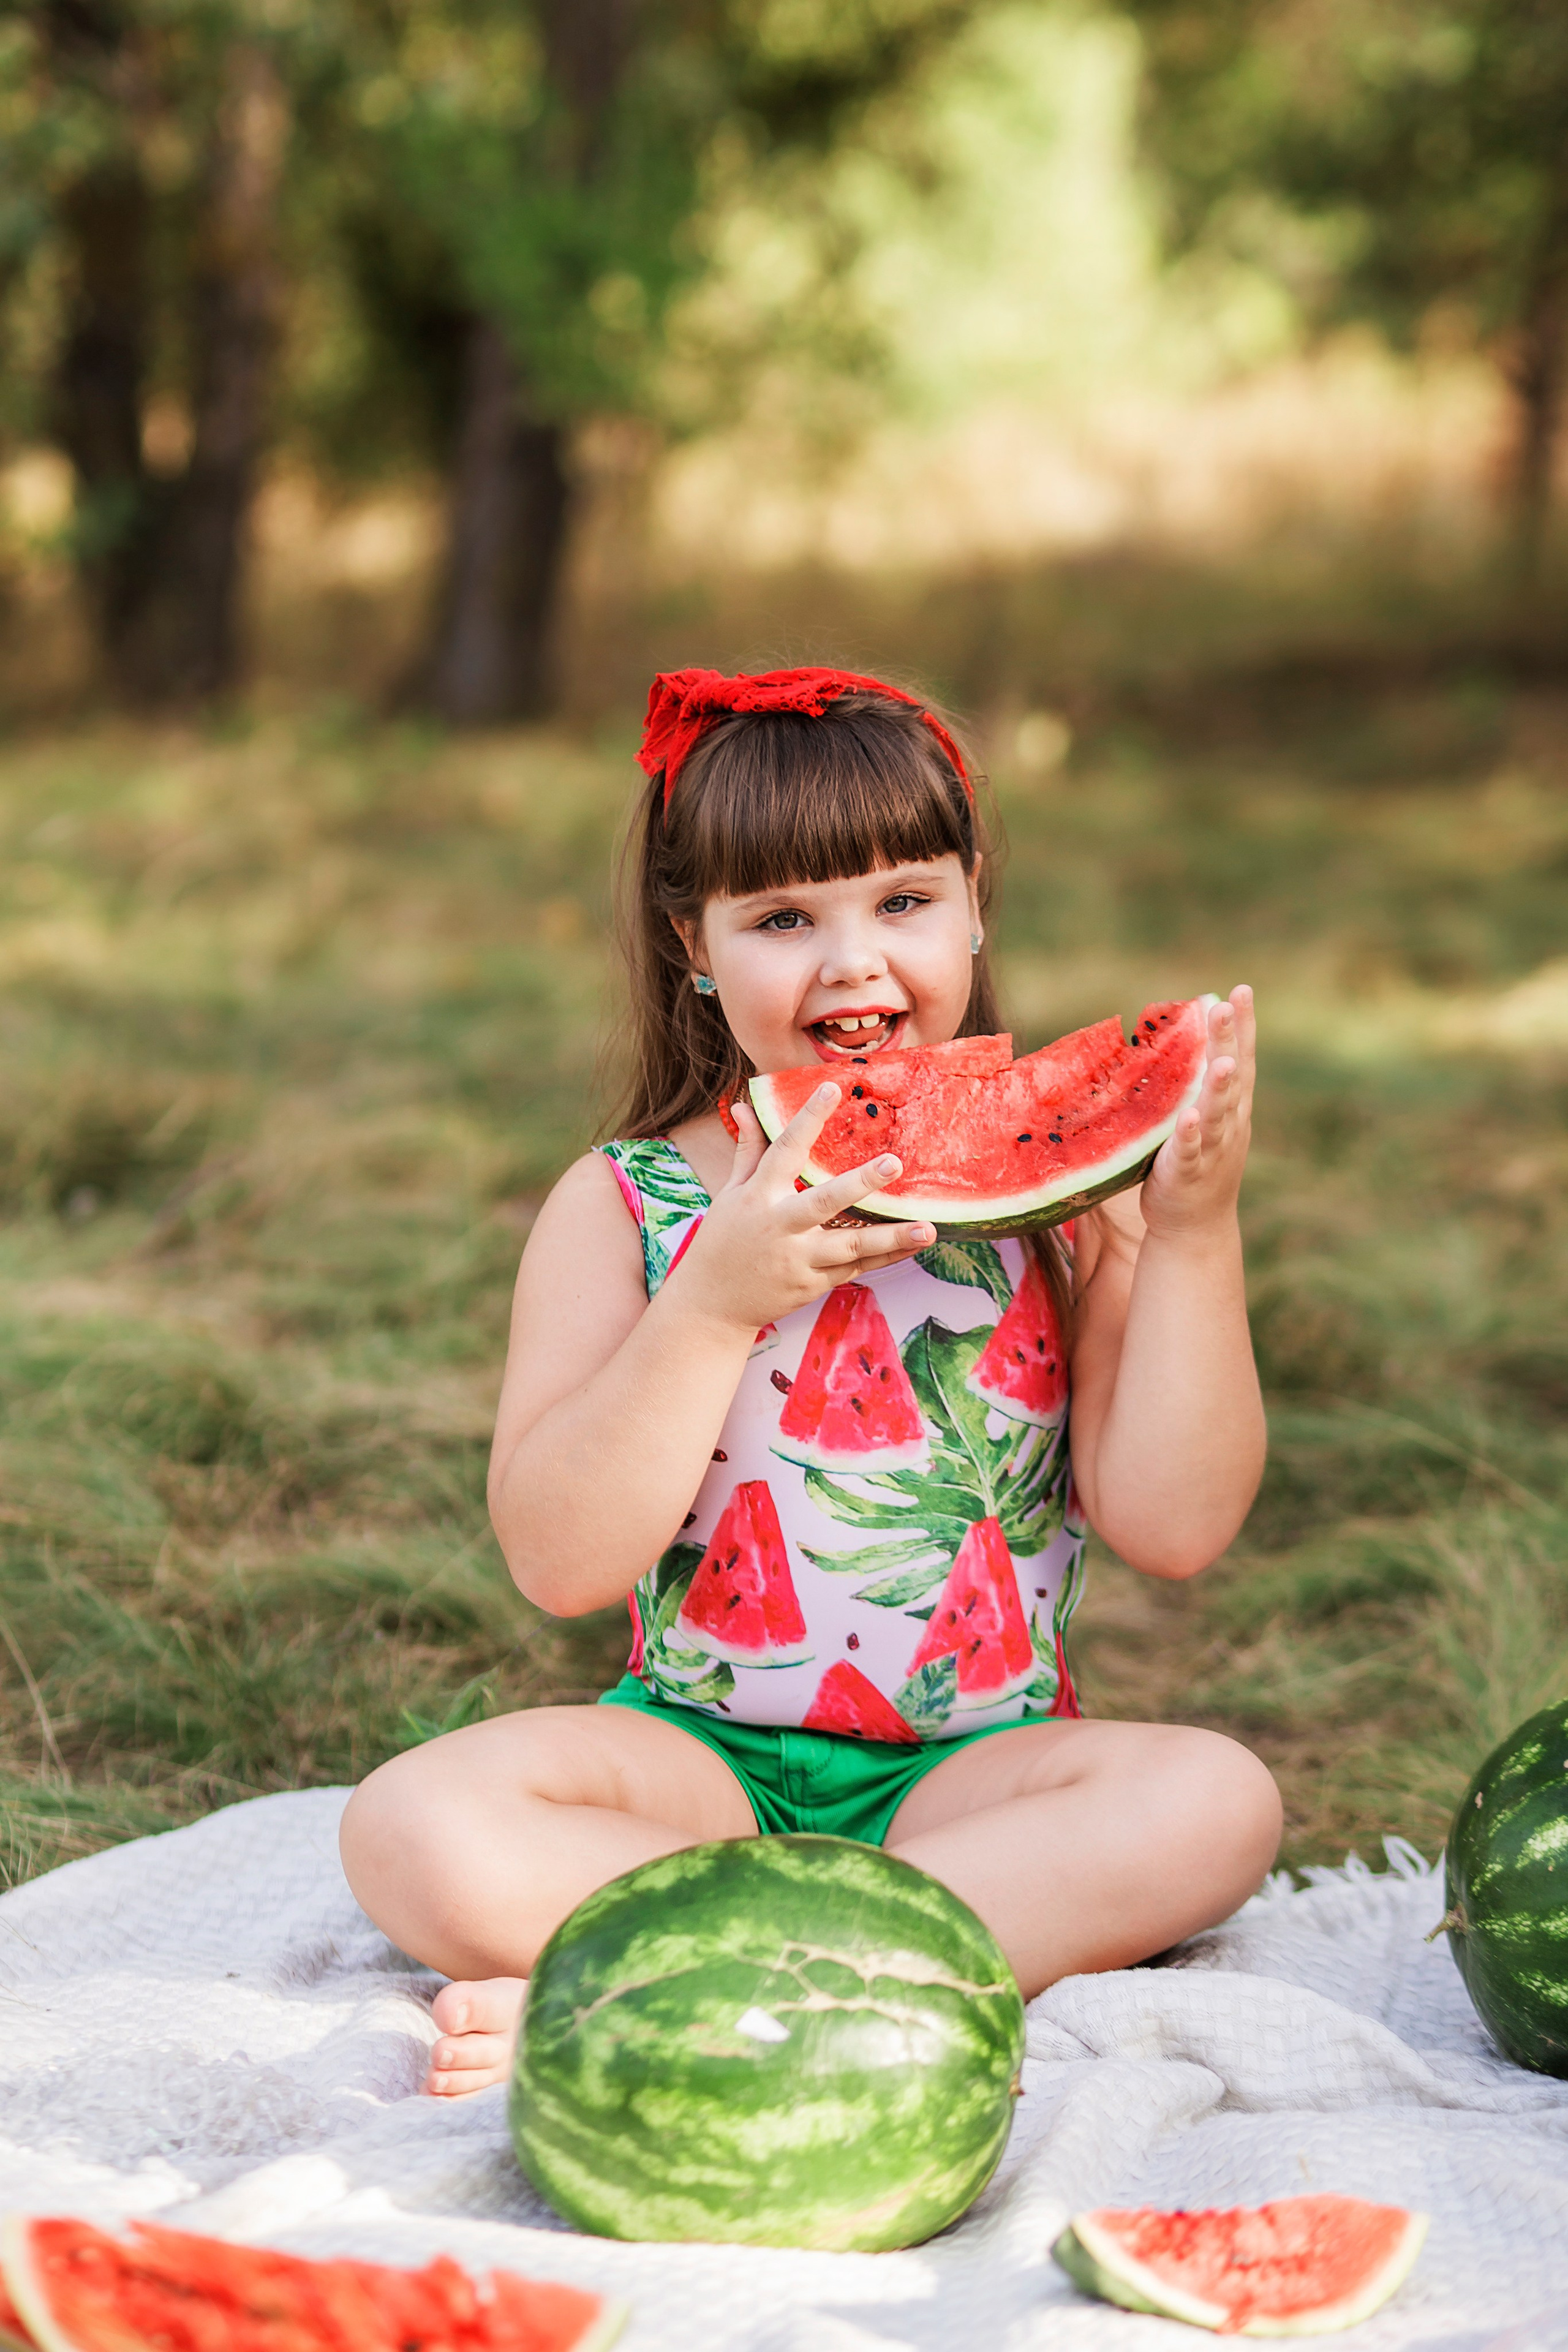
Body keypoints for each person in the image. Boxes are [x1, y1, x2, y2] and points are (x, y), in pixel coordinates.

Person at [339, 665, 1280, 2098]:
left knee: (1217, 1803)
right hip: (694, 1765)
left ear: (974, 904)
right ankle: (868, 1976)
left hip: (976, 1774)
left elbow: (1173, 1523)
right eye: (783, 919)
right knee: (410, 1825)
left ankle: (664, 1984)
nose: (851, 962)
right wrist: (711, 1303)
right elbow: (558, 1563)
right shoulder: (624, 1205)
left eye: (901, 901)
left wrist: (1187, 1237)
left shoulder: (1056, 1214)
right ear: (692, 947)